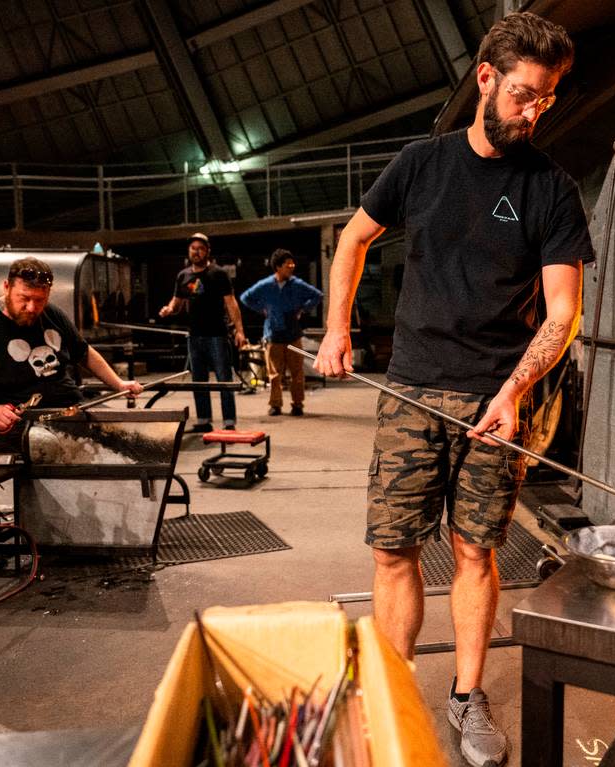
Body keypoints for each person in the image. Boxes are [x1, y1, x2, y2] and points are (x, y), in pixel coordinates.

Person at [314, 12, 592, 767]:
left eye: (546, 99)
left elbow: (562, 313)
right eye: (523, 95)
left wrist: (514, 392)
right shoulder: (420, 163)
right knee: (394, 549)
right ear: (485, 79)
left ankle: (467, 695)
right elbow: (353, 239)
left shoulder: (551, 191)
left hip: (494, 399)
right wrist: (337, 327)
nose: (533, 112)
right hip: (409, 390)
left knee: (476, 551)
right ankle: (393, 690)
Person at [0, 257, 143, 450]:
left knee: (124, 431)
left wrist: (119, 384)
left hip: (67, 407)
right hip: (16, 422)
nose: (32, 307)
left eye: (40, 300)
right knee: (59, 447)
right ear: (6, 287)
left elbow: (84, 352)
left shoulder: (52, 314)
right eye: (24, 298)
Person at [158, 232, 248, 432]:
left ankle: (229, 422)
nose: (196, 251)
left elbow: (231, 304)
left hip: (216, 334)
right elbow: (177, 302)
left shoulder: (218, 274)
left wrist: (239, 331)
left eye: (200, 248)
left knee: (224, 379)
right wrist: (169, 309)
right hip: (195, 335)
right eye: (193, 248)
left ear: (207, 251)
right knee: (199, 380)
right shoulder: (183, 276)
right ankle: (204, 420)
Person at [239, 249, 324, 416]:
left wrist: (303, 308)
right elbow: (245, 297)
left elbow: (318, 295)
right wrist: (262, 309)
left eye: (292, 264)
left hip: (293, 334)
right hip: (273, 335)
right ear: (278, 267)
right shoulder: (265, 285)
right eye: (287, 265)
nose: (291, 267)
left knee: (297, 373)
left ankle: (297, 404)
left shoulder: (297, 284)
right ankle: (275, 404)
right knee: (274, 374)